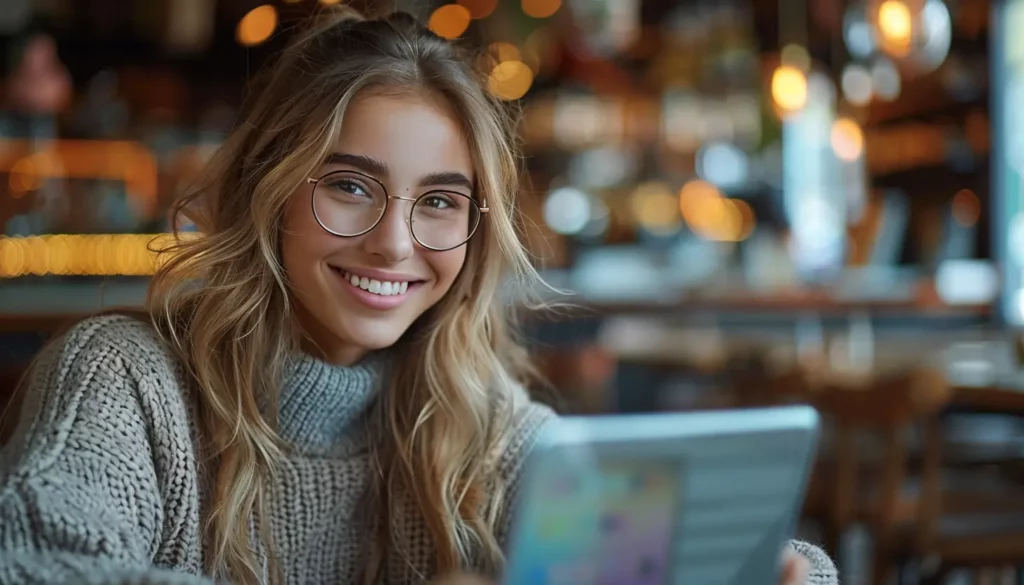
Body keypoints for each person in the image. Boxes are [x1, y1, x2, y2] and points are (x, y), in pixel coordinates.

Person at [0, 9, 838, 585]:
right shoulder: (126, 379)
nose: (395, 244)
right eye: (352, 186)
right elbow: (32, 559)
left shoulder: (469, 411)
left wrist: (780, 569)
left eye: (439, 201)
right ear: (270, 188)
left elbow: (674, 542)